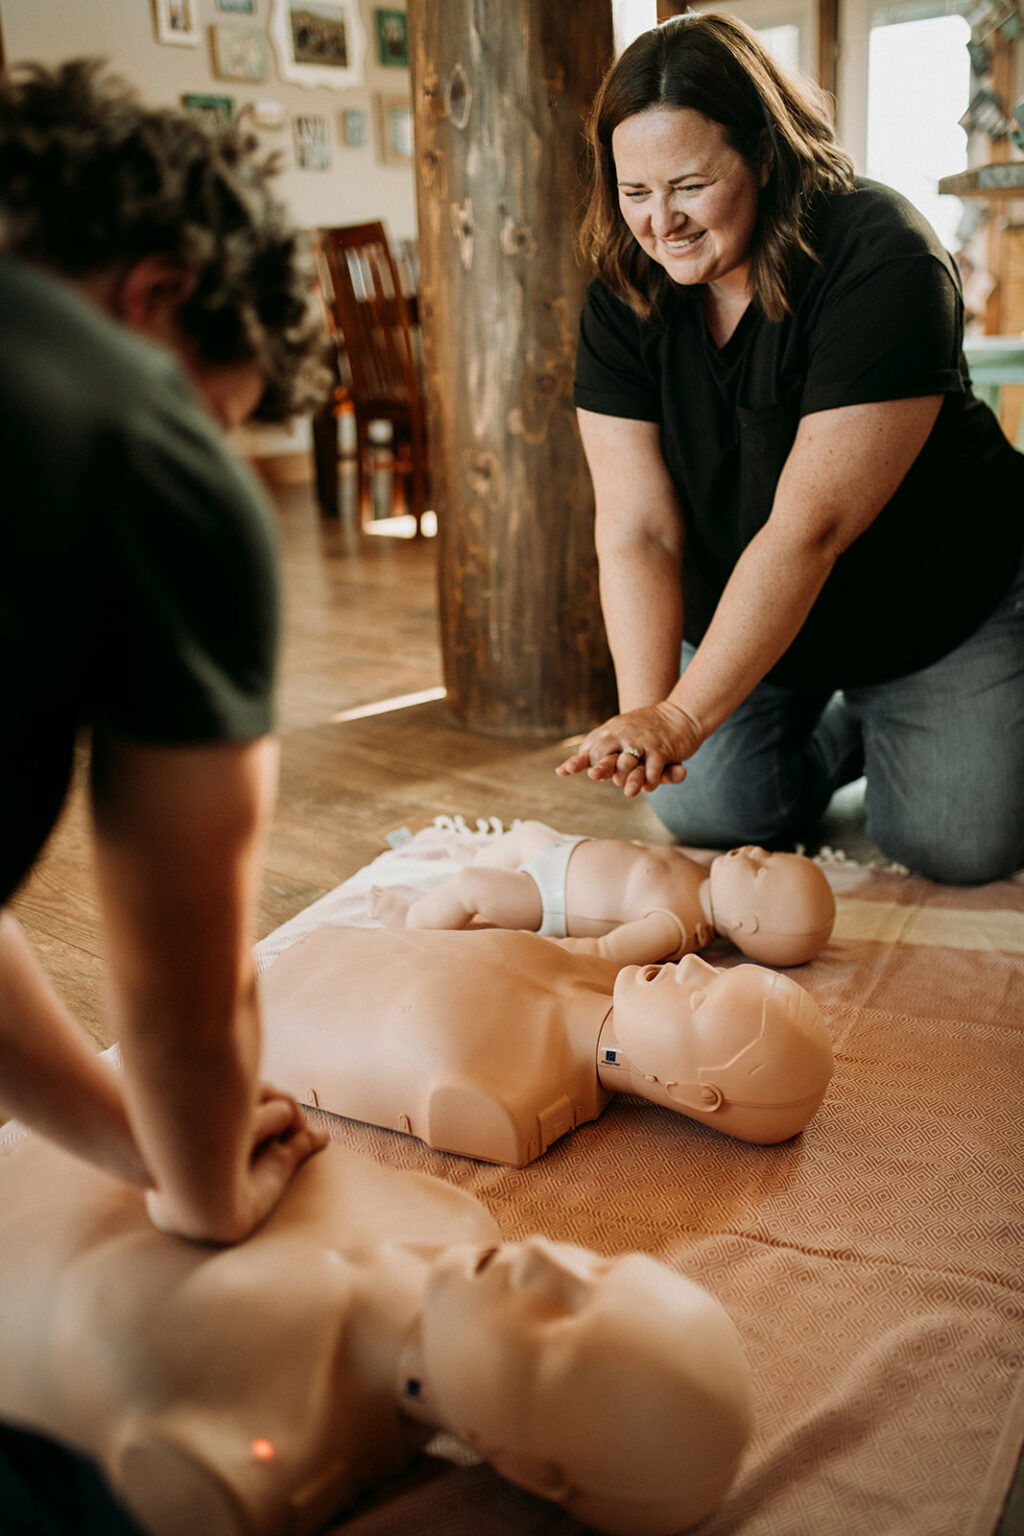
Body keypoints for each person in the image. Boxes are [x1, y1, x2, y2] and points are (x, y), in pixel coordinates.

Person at [556, 12, 1024, 887]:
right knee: (704, 808)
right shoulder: (624, 290)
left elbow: (809, 529)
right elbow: (636, 527)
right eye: (634, 191)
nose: (661, 224)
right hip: (754, 601)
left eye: (690, 185)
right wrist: (647, 720)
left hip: (937, 602)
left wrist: (688, 718)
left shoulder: (882, 257)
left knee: (956, 844)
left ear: (765, 157)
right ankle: (853, 728)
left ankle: (918, 715)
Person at [0, 57, 331, 1252]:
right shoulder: (137, 439)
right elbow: (182, 996)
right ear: (157, 297)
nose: (207, 453)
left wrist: (127, 1140)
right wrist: (202, 1193)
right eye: (220, 421)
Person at [0, 1130, 754, 1536]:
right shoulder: (453, 1218)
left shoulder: (245, 1449)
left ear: (536, 1473)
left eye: (561, 1335)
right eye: (598, 1267)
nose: (545, 1265)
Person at [259, 921, 835, 1160]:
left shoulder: (506, 1099)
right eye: (716, 972)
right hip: (314, 946)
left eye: (700, 1000)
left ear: (695, 1092)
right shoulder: (586, 974)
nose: (689, 965)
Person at [370, 818, 836, 965]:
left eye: (761, 869)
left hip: (546, 895)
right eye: (769, 853)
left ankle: (412, 919)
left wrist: (540, 949)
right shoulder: (701, 877)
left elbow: (603, 951)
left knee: (473, 889)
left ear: (745, 922)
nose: (756, 850)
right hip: (561, 853)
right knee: (526, 831)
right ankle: (476, 860)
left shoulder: (673, 928)